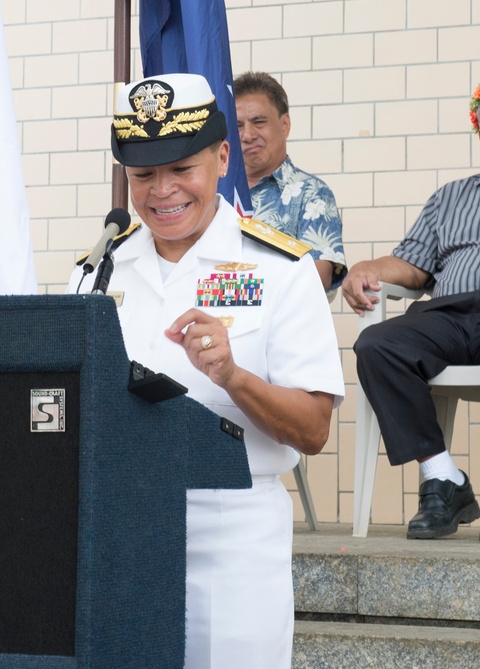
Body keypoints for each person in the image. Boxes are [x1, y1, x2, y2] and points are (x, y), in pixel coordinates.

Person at [71, 73, 344, 668]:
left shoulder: (279, 268)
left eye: (181, 169)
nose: (162, 191)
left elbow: (314, 430)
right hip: (119, 536)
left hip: (231, 538)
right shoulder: (98, 273)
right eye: (143, 175)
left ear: (222, 158)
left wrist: (234, 377)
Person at [343, 70, 480, 545]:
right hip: (446, 316)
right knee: (377, 343)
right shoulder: (450, 197)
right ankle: (441, 476)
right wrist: (368, 266)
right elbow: (411, 266)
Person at [233, 70, 347, 293]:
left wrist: (238, 290)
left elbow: (317, 277)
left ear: (285, 125)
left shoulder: (312, 194)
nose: (247, 135)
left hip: (280, 323)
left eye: (259, 122)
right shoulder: (215, 194)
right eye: (238, 125)